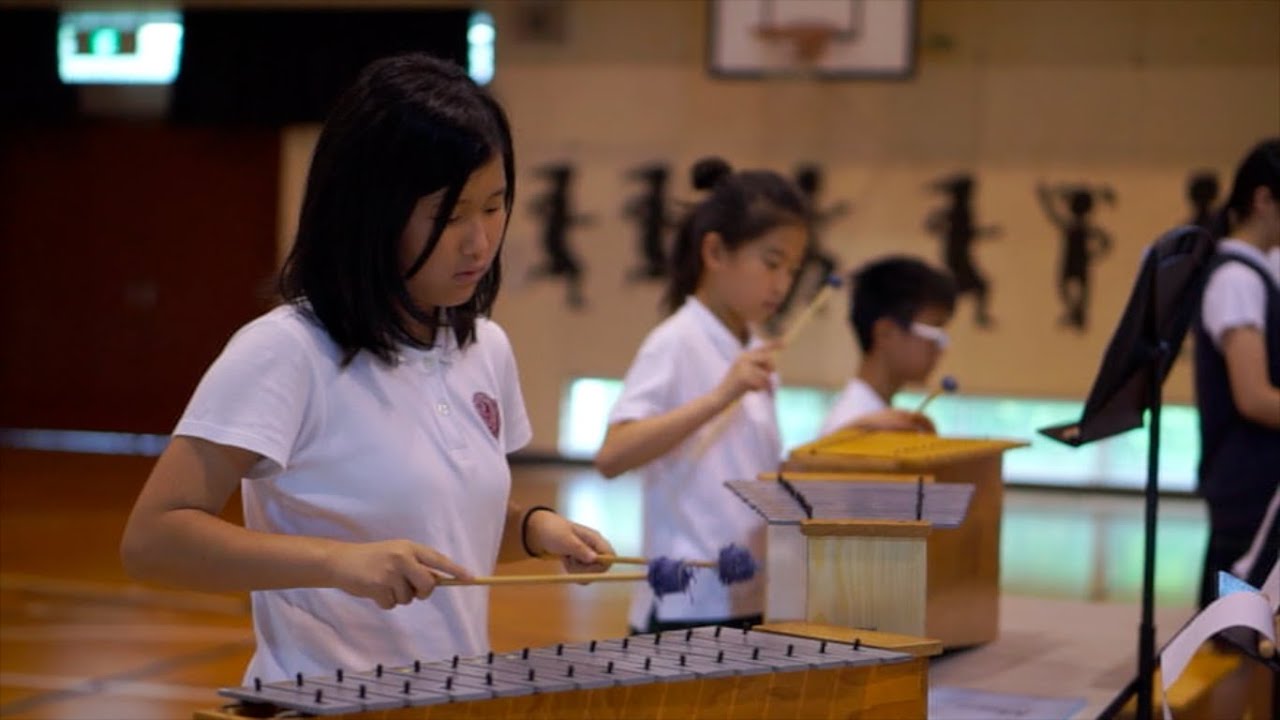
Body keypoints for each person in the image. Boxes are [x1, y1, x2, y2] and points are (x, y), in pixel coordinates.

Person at [120, 53, 615, 682]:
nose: (480, 242)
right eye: (450, 216)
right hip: (317, 700)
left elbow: (444, 530)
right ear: (371, 211)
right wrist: (337, 563)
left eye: (494, 206)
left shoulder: (485, 348)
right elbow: (154, 541)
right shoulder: (286, 351)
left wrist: (535, 529)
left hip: (449, 700)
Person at [593, 157, 808, 634]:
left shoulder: (752, 347)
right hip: (684, 606)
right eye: (771, 263)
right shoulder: (676, 341)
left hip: (745, 593)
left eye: (792, 270)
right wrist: (720, 395)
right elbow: (612, 455)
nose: (782, 285)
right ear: (715, 252)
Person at [1194, 137, 1280, 608]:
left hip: (1258, 484)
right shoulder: (1236, 279)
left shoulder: (1259, 269)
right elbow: (1254, 397)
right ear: (1264, 199)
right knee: (1234, 627)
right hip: (1246, 486)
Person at [819, 256, 956, 436]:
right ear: (886, 332)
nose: (941, 348)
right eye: (935, 332)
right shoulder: (854, 426)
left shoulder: (876, 414)